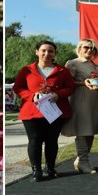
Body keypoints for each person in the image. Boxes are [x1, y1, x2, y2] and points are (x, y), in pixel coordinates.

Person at [12, 40, 75, 182]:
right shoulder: (26, 70)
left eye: (50, 51)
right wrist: (32, 95)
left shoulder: (63, 71)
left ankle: (51, 168)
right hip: (32, 112)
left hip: (55, 111)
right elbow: (18, 88)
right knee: (34, 141)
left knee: (52, 140)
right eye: (43, 50)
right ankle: (36, 170)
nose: (47, 53)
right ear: (37, 52)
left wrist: (58, 94)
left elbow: (71, 88)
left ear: (55, 54)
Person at [61, 38, 98, 174]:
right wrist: (83, 83)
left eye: (92, 48)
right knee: (82, 130)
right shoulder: (72, 64)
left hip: (94, 100)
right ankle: (84, 162)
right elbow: (67, 83)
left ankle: (81, 159)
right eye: (86, 47)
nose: (89, 50)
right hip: (80, 100)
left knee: (91, 131)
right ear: (79, 48)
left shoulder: (95, 66)